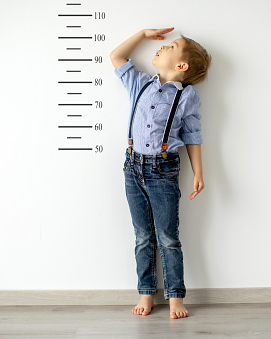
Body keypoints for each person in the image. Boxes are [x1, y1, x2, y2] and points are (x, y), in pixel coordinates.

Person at [110, 27, 211, 319]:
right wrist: (142, 34)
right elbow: (116, 55)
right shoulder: (139, 82)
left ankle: (176, 297)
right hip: (132, 167)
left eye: (171, 46)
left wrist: (198, 171)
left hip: (163, 169)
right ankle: (146, 292)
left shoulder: (188, 97)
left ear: (182, 66)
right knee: (143, 235)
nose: (163, 47)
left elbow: (193, 134)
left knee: (168, 236)